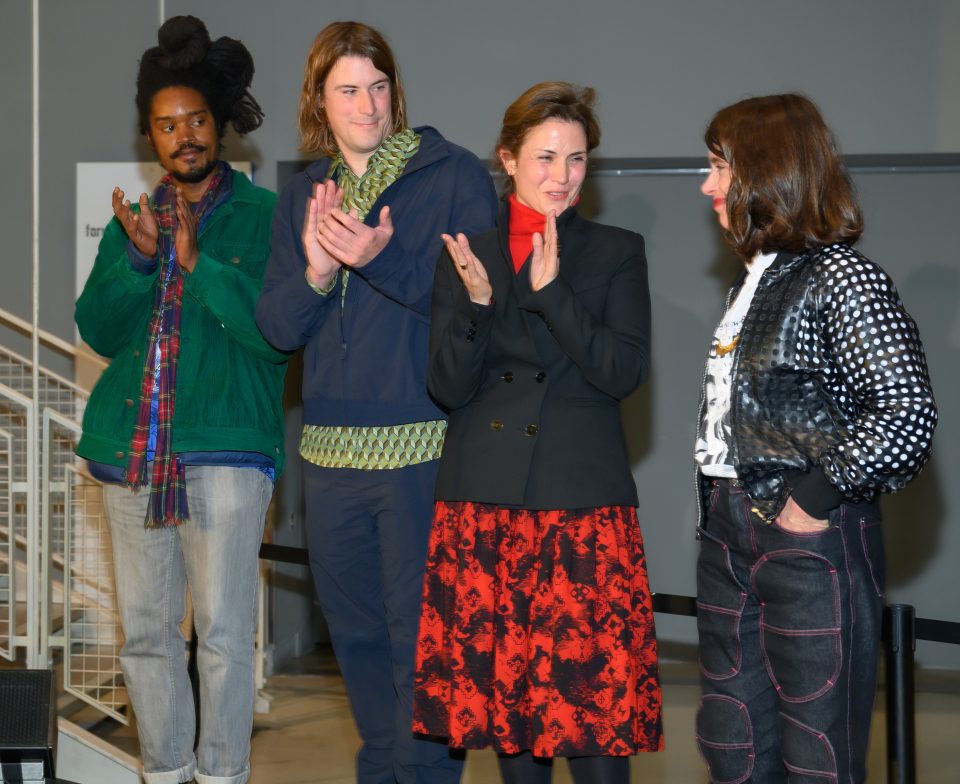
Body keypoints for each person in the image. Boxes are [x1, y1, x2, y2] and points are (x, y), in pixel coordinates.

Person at [254, 21, 497, 784]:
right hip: (327, 459)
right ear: (319, 103)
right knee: (355, 639)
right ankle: (384, 769)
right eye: (348, 90)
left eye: (379, 86)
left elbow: (478, 306)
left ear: (396, 92)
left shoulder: (452, 174)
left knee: (420, 643)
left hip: (420, 450)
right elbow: (277, 328)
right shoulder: (302, 195)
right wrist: (322, 271)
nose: (367, 105)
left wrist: (379, 256)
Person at [412, 82, 663, 784]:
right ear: (508, 159)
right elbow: (446, 387)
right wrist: (480, 307)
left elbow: (623, 371)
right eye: (546, 157)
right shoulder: (467, 254)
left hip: (581, 508)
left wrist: (554, 297)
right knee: (513, 729)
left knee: (595, 727)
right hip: (485, 506)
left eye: (577, 159)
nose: (562, 176)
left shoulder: (617, 251)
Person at [693, 93, 937, 783]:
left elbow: (905, 413)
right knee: (732, 750)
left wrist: (813, 501)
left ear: (767, 171)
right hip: (728, 532)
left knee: (816, 757)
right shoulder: (758, 279)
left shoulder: (842, 274)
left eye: (720, 166)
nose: (708, 184)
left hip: (808, 538)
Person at [75, 16, 286, 784]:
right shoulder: (134, 219)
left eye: (196, 119)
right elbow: (96, 327)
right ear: (150, 137)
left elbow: (277, 333)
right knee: (144, 636)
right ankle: (164, 774)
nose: (183, 136)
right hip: (134, 458)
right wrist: (136, 259)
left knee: (226, 636)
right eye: (167, 125)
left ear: (219, 123)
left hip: (225, 455)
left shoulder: (265, 219)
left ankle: (222, 775)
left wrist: (198, 264)